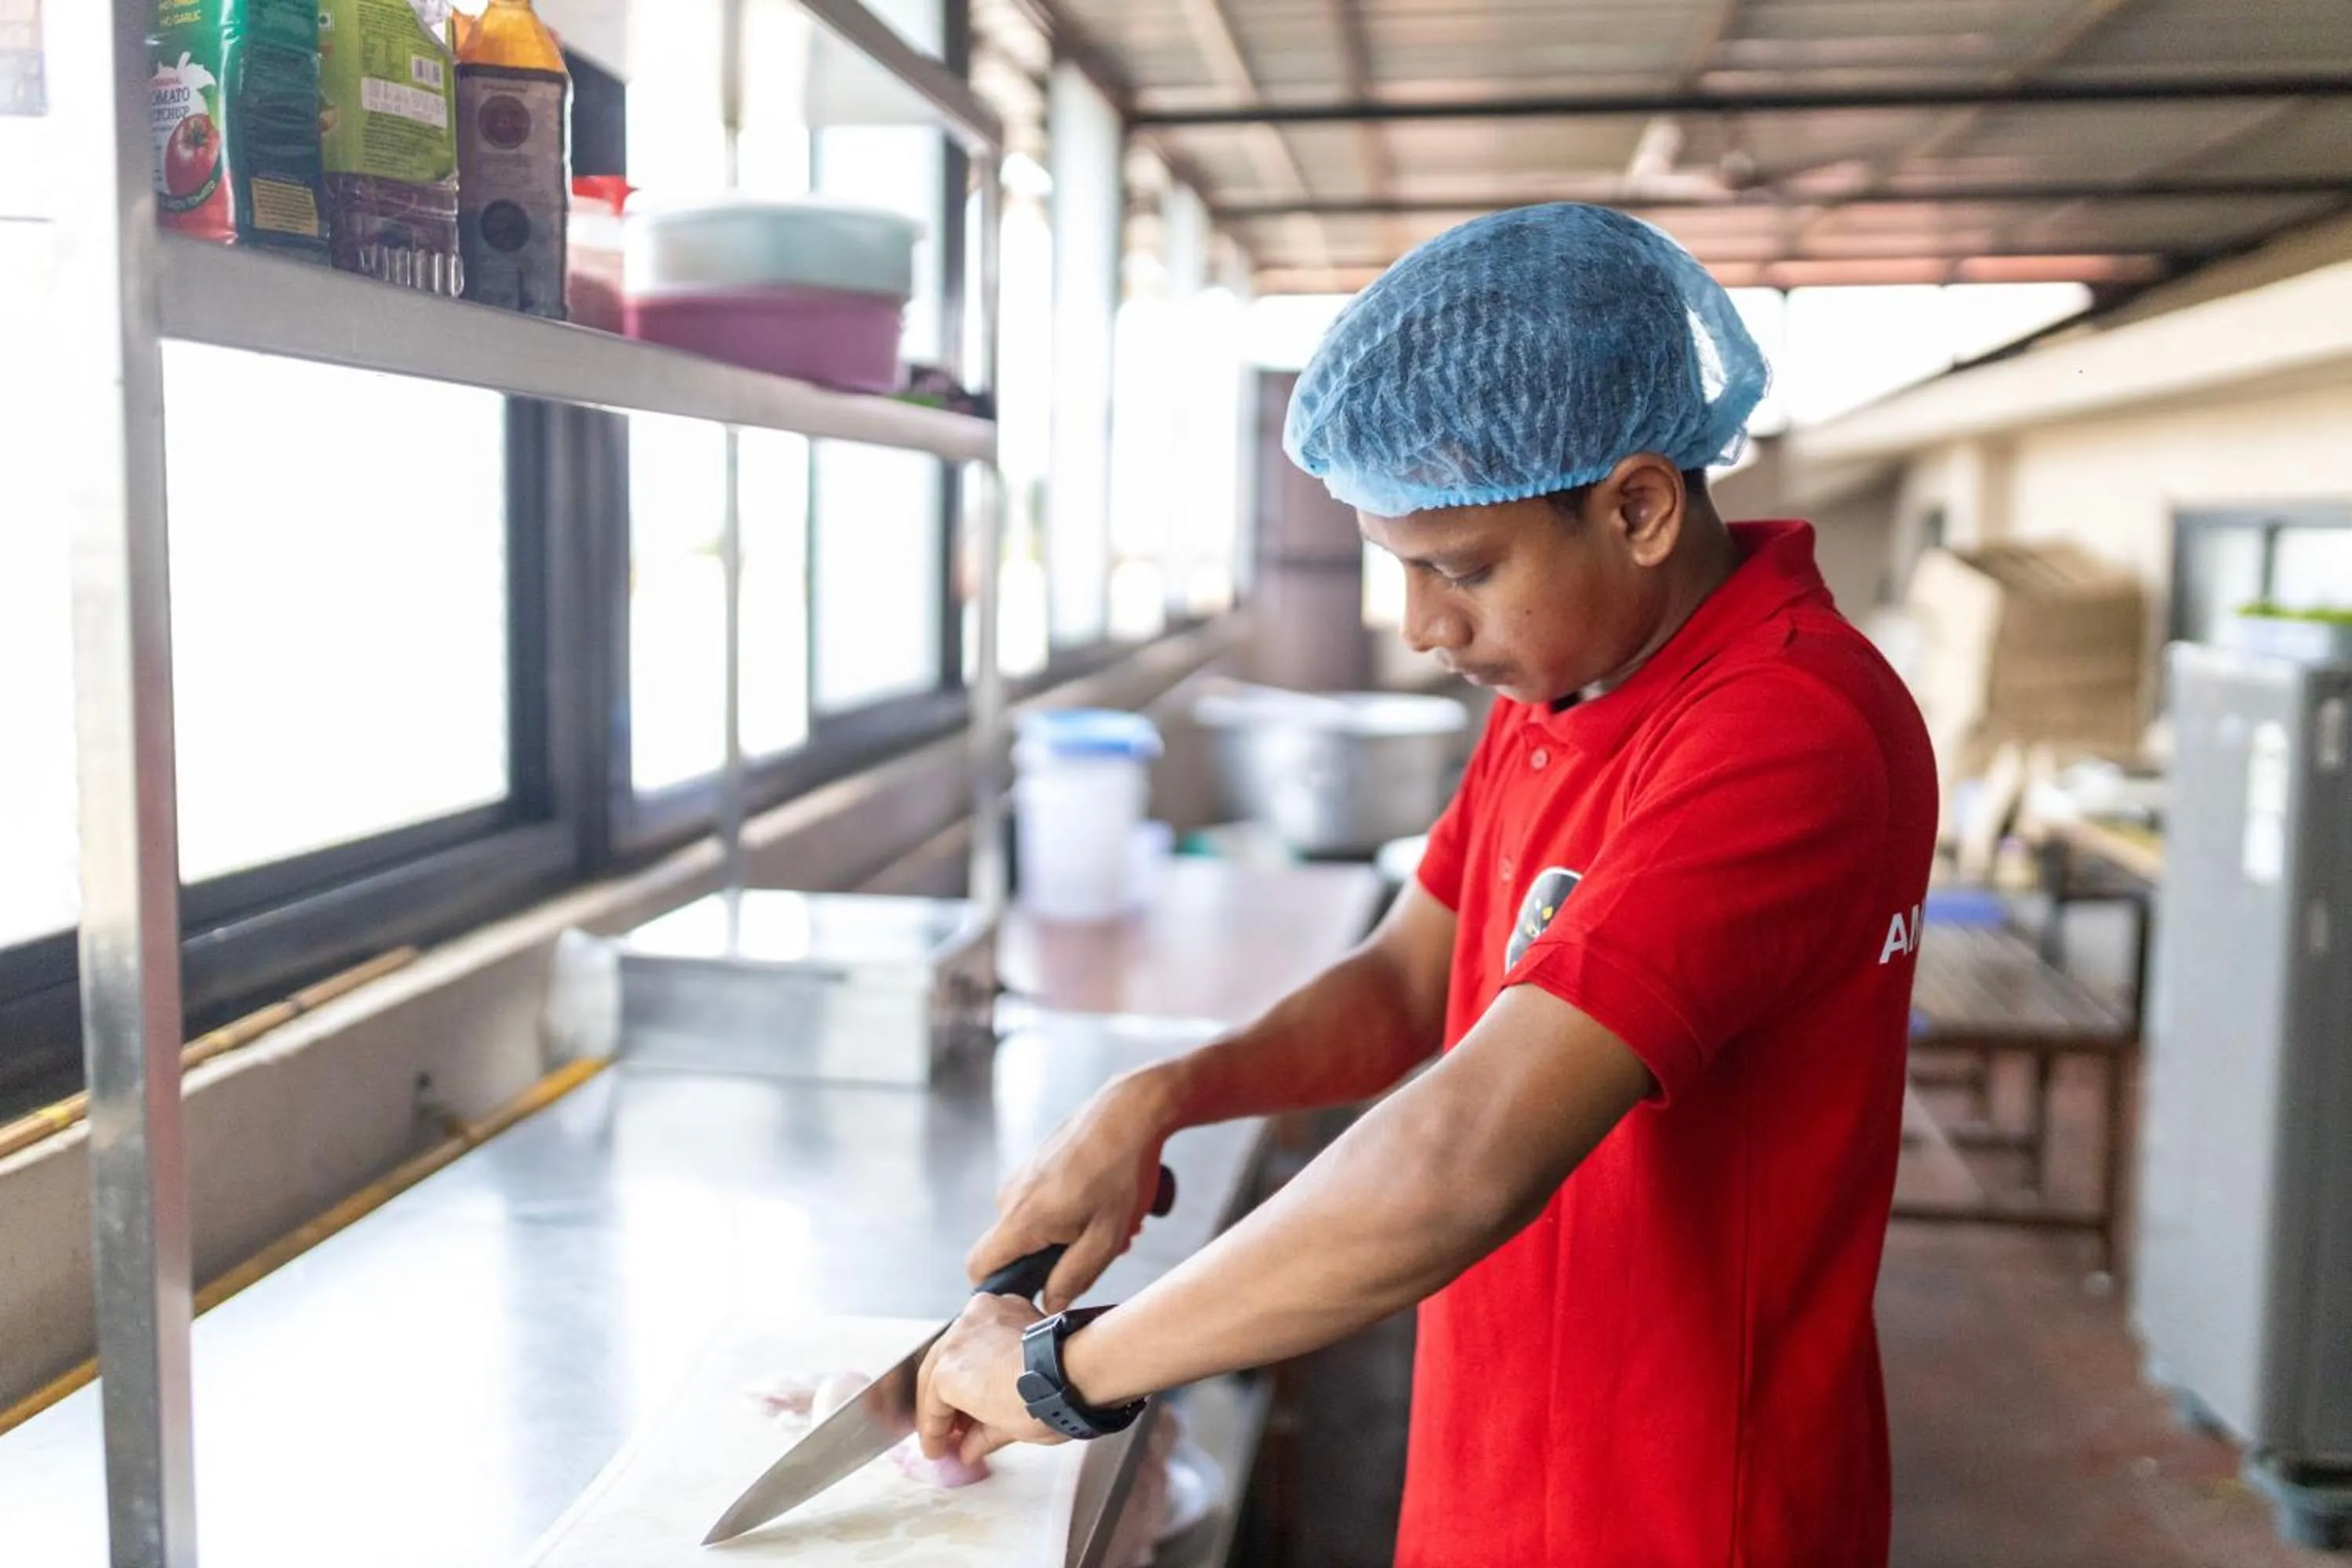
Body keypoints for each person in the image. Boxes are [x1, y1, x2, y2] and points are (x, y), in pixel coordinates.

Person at [916, 203, 1938, 1566]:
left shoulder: (1783, 732)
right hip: (1499, 1464)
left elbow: (1460, 1161)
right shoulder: (1570, 677)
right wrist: (1161, 1097)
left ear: (1637, 507)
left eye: (1461, 569)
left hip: (1680, 1508)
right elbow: (1412, 983)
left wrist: (1062, 1375)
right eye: (1399, 566)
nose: (1421, 626)